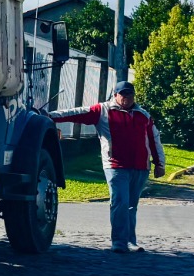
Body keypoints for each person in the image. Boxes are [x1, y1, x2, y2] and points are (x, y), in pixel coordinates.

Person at [52, 80, 165, 253]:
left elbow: (153, 139)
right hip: (115, 165)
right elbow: (77, 113)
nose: (126, 98)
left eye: (130, 95)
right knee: (120, 202)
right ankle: (119, 242)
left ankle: (130, 241)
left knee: (131, 205)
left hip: (141, 167)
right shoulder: (103, 110)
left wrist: (159, 163)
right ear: (115, 95)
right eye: (123, 95)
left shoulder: (143, 115)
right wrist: (51, 115)